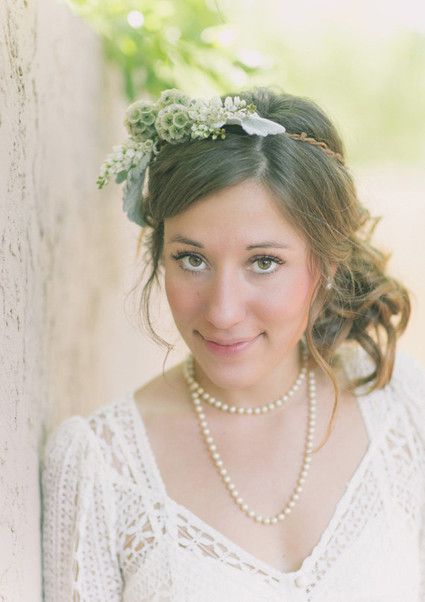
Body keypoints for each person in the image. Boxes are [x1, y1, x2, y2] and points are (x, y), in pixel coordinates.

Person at [42, 88, 425, 601]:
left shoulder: (405, 408)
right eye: (192, 259)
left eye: (263, 262)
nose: (222, 311)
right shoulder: (100, 468)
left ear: (326, 265)